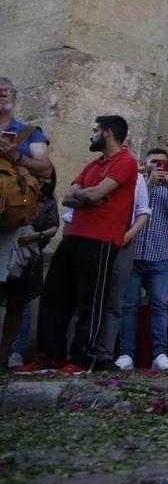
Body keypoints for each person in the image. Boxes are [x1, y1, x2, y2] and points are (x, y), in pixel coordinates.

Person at [21, 115, 137, 374]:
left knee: (90, 301)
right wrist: (89, 198)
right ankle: (50, 355)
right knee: (54, 296)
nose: (91, 135)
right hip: (74, 236)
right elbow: (68, 196)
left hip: (102, 240)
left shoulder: (126, 162)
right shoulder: (93, 165)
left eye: (94, 130)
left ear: (106, 132)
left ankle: (82, 358)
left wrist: (89, 195)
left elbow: (93, 193)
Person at [0, 77, 54, 366]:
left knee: (17, 293)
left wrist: (15, 156)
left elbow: (45, 167)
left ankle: (5, 352)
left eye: (6, 92)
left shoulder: (29, 133)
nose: (2, 97)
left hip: (12, 219)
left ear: (15, 96)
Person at [118, 147, 168, 371]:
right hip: (134, 255)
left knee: (159, 306)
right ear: (145, 164)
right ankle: (126, 354)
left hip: (159, 258)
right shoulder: (136, 185)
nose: (159, 165)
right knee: (129, 306)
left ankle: (160, 354)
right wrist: (147, 185)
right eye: (154, 162)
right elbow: (126, 209)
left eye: (163, 162)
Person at [96, 154, 149, 369]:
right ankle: (80, 350)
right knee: (90, 300)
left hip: (123, 242)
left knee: (115, 301)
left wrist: (128, 236)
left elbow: (143, 211)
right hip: (96, 240)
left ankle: (104, 354)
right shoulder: (95, 172)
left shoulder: (138, 180)